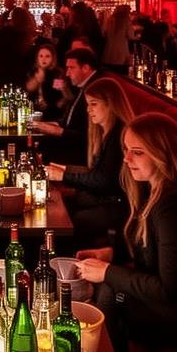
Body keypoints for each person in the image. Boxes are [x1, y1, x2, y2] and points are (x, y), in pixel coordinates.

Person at [75, 112, 177, 352]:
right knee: (109, 291)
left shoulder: (174, 206)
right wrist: (110, 254)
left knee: (113, 295)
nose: (126, 158)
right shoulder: (153, 190)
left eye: (138, 152)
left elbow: (168, 289)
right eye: (126, 149)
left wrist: (107, 272)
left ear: (164, 156)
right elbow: (150, 244)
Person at [46, 78, 134, 245]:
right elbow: (97, 173)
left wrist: (63, 175)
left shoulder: (119, 135)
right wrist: (63, 169)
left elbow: (103, 181)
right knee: (56, 207)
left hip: (119, 206)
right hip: (106, 199)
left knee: (66, 217)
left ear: (111, 104)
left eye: (93, 104)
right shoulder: (107, 132)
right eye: (87, 104)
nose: (88, 110)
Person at [31, 46, 99, 159]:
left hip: (81, 151)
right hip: (68, 136)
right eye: (67, 68)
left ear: (86, 68)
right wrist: (53, 125)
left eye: (71, 68)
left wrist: (59, 131)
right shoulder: (83, 85)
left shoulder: (95, 88)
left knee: (40, 152)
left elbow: (89, 134)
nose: (67, 73)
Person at [25, 43, 65, 118]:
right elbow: (28, 89)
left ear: (53, 58)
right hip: (33, 110)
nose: (43, 59)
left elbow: (59, 94)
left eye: (47, 56)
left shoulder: (57, 73)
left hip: (52, 112)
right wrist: (37, 79)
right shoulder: (32, 72)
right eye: (41, 56)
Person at [101, 4, 134, 75]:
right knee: (122, 77)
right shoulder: (126, 21)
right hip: (121, 54)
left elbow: (104, 33)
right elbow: (131, 36)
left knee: (110, 76)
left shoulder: (109, 19)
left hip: (108, 53)